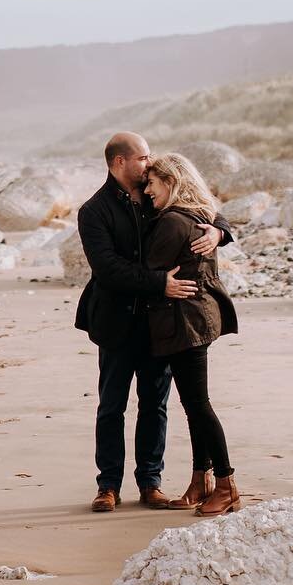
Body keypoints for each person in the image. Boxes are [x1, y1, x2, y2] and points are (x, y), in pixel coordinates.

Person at [74, 132, 232, 513]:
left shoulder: (154, 190)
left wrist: (219, 230)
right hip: (115, 320)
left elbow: (198, 200)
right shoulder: (93, 211)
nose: (150, 162)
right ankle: (108, 486)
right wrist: (160, 282)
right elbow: (108, 269)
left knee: (154, 405)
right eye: (143, 157)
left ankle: (150, 482)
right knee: (111, 406)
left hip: (160, 323)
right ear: (119, 162)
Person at [141, 152, 240, 515]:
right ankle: (201, 481)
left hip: (185, 321)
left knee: (198, 405)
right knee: (193, 404)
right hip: (199, 318)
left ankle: (227, 485)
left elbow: (147, 269)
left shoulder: (172, 222)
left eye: (152, 183)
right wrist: (220, 230)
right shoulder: (203, 214)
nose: (148, 190)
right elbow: (218, 220)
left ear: (171, 182)